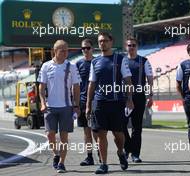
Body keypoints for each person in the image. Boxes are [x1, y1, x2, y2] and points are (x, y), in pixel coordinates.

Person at [86, 32, 134, 174]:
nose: (102, 43)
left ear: (111, 42)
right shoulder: (95, 62)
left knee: (118, 135)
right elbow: (91, 84)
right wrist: (89, 104)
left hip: (117, 102)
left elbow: (128, 81)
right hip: (100, 102)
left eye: (105, 41)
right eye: (100, 41)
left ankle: (121, 152)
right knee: (101, 134)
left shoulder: (121, 59)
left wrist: (130, 99)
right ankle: (104, 164)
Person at [38, 40, 81, 173]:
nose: (65, 52)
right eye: (62, 50)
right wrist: (43, 103)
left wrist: (76, 105)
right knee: (50, 135)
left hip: (66, 107)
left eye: (67, 50)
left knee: (64, 137)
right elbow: (41, 86)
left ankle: (61, 163)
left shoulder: (71, 66)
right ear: (54, 51)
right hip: (50, 107)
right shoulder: (46, 66)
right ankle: (56, 154)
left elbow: (76, 87)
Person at [123, 37, 153, 163]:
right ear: (126, 47)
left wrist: (150, 95)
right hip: (123, 98)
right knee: (121, 126)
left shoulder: (144, 61)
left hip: (139, 97)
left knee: (137, 127)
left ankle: (135, 154)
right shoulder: (122, 61)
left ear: (137, 46)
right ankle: (127, 147)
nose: (131, 47)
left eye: (134, 45)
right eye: (129, 45)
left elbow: (150, 79)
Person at [76, 38, 98, 166]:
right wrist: (76, 103)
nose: (85, 50)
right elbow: (75, 85)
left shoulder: (97, 62)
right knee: (86, 131)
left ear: (92, 48)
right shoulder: (78, 64)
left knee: (97, 131)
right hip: (83, 102)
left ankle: (101, 154)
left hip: (97, 101)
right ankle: (89, 157)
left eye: (88, 48)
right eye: (83, 48)